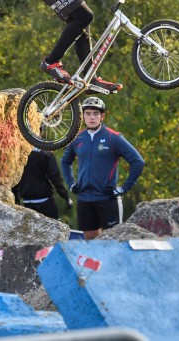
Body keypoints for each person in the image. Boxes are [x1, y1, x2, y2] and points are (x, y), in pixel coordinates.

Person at [61, 97, 145, 239]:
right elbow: (65, 161)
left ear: (102, 116)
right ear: (83, 116)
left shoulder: (114, 137)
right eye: (88, 113)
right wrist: (71, 184)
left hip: (108, 199)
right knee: (90, 239)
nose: (91, 117)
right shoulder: (77, 138)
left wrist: (124, 188)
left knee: (113, 240)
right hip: (84, 199)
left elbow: (138, 161)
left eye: (95, 113)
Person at [12, 148, 73, 220]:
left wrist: (15, 198)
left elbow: (14, 177)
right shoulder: (45, 151)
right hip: (46, 203)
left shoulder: (19, 151)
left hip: (27, 202)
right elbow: (55, 178)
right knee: (53, 230)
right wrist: (65, 197)